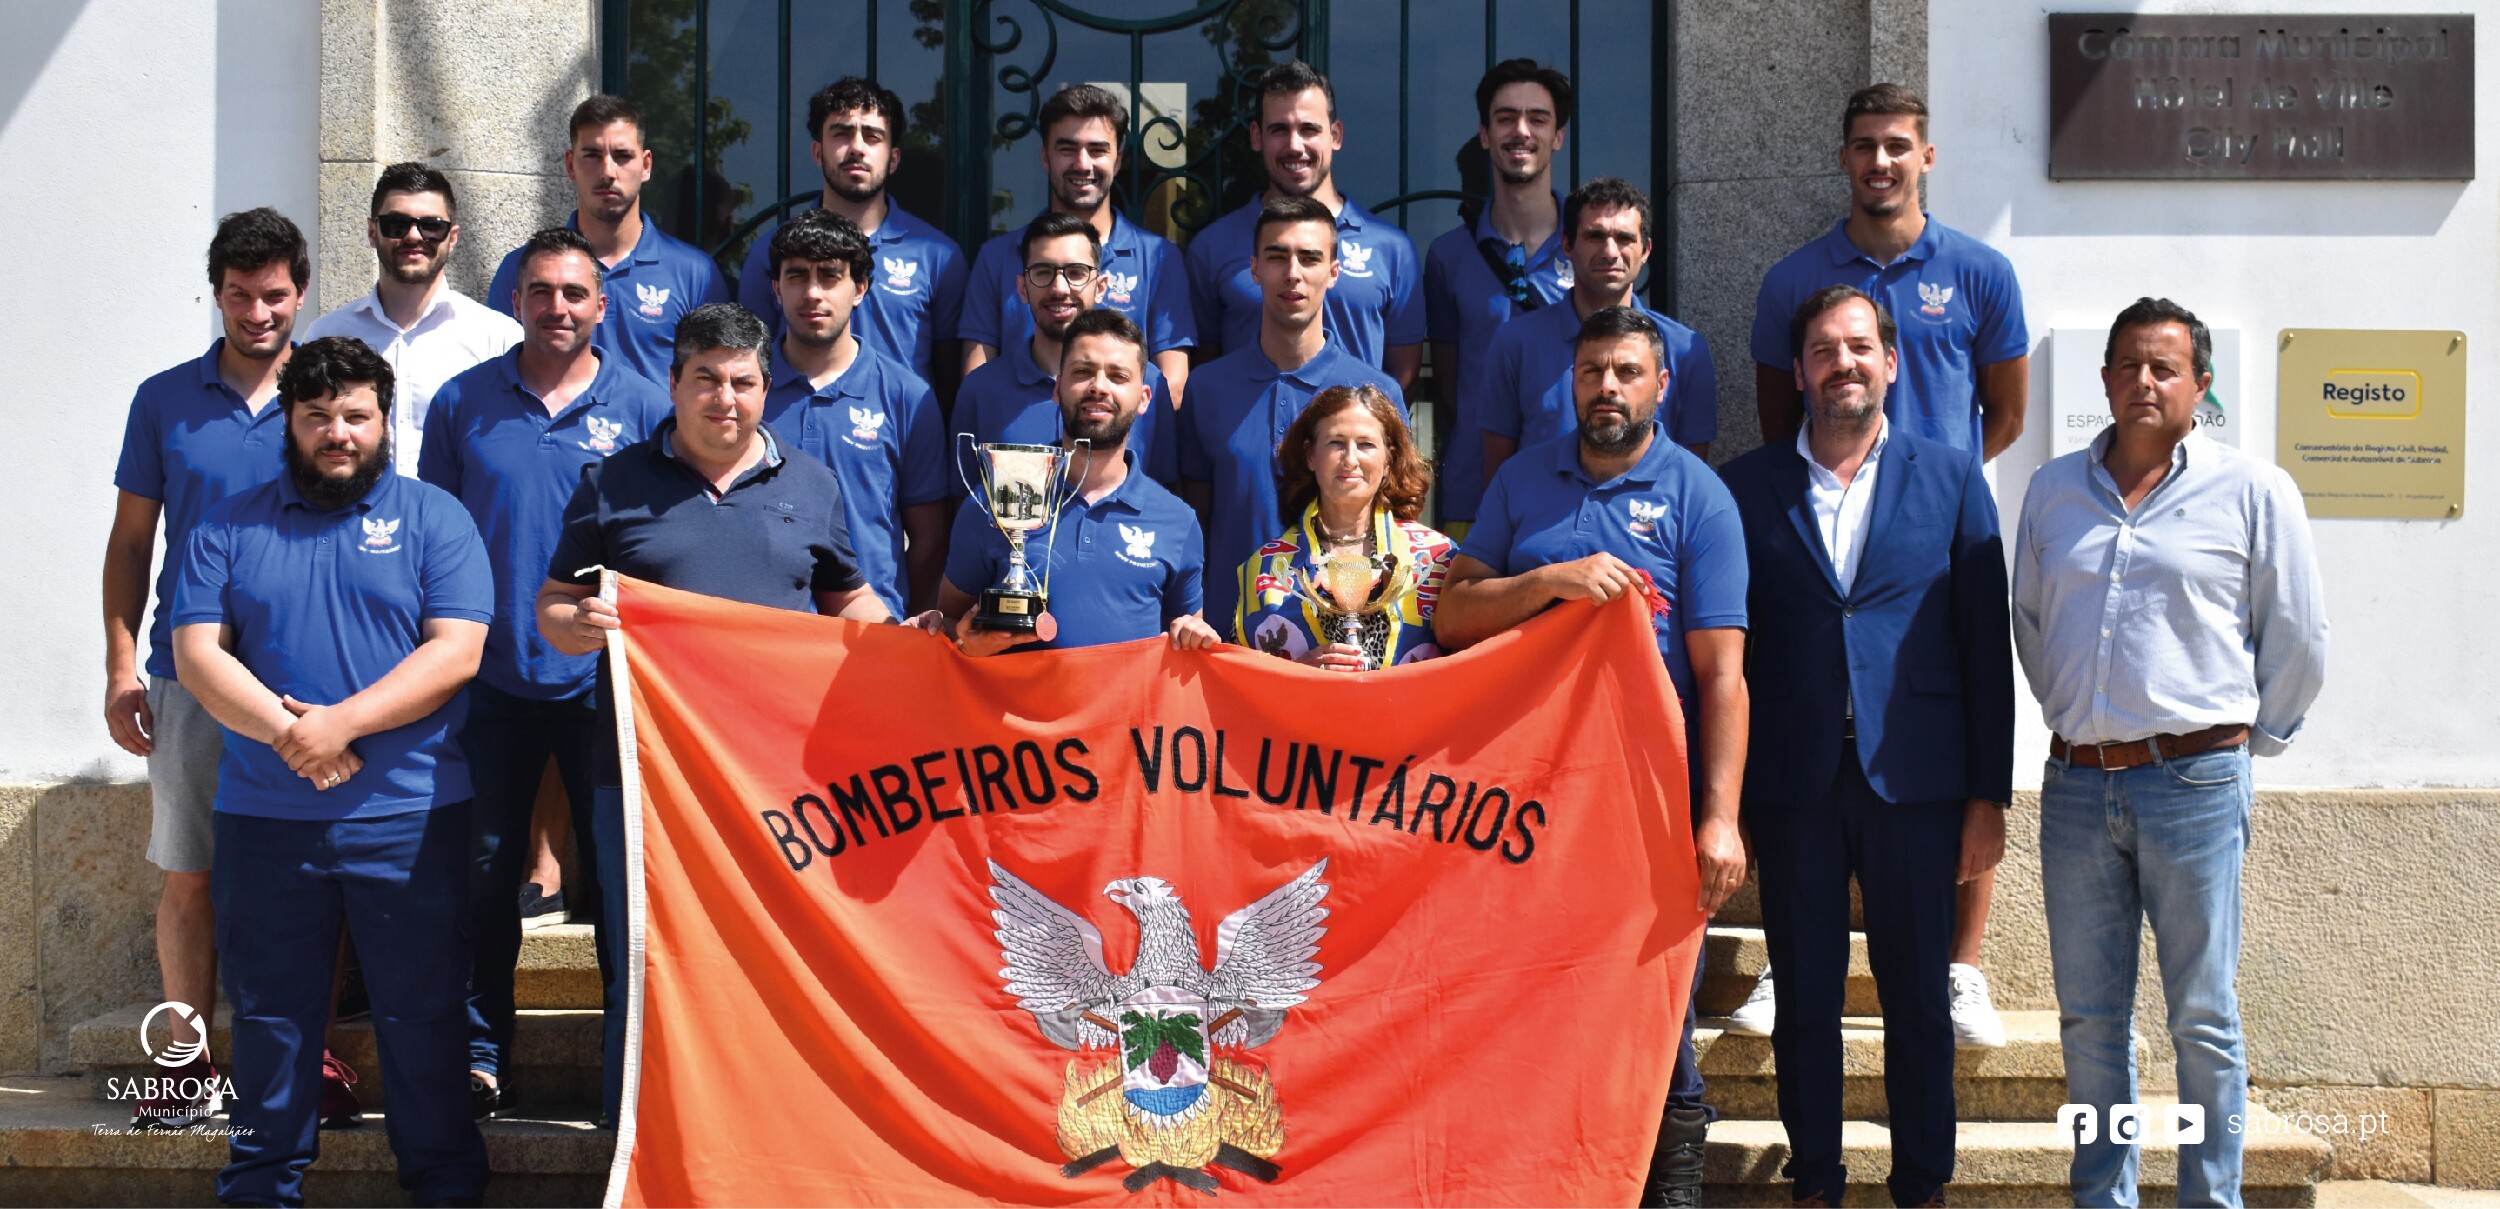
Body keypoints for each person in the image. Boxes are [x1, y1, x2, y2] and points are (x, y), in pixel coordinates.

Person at [535, 302, 898, 1123]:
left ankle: (769, 1120)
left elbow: (848, 600)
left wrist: (910, 647)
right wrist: (576, 624)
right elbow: (552, 604)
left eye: (741, 381)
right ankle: (639, 1130)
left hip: (776, 775)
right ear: (673, 384)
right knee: (645, 948)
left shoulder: (812, 483)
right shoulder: (611, 484)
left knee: (773, 947)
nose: (724, 398)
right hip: (641, 772)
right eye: (705, 379)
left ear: (767, 388)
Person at [1431, 305, 1748, 1208]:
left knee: (1655, 1014)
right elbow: (1452, 616)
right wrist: (1549, 582)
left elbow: (1723, 677)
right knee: (1529, 1010)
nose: (1606, 387)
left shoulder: (1700, 496)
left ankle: (1668, 1192)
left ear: (1662, 385)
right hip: (1519, 802)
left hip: (1644, 803)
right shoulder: (1523, 480)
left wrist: (1720, 818)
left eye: (1626, 372)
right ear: (1570, 383)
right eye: (1591, 372)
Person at [2014, 297, 2327, 1208]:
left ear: (2201, 385)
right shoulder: (2053, 490)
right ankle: (2101, 1195)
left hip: (2196, 782)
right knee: (2089, 1021)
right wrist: (2078, 715)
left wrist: (2245, 742)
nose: (2144, 382)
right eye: (2128, 365)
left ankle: (2209, 1196)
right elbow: (2032, 622)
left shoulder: (2253, 490)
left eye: (2165, 367)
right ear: (2104, 379)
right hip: (2078, 786)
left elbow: (2299, 635)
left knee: (2203, 1017)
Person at [169, 336, 494, 1206]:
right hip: (266, 819)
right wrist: (292, 734)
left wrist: (340, 724)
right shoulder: (226, 525)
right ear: (289, 421)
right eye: (316, 416)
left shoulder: (436, 519)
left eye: (355, 415)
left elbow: (457, 651)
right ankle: (260, 1189)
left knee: (423, 1016)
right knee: (272, 1020)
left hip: (412, 816)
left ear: (385, 421)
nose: (337, 433)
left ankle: (446, 1189)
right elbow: (198, 655)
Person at [1735, 82, 2029, 1044]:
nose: (1881, 161)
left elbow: (2007, 411)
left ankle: (1962, 966)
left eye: (1898, 145)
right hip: (1825, 535)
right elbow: (1781, 419)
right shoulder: (1794, 280)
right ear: (1844, 158)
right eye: (1864, 145)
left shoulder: (1981, 271)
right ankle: (1787, 959)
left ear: (1926, 157)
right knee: (1806, 737)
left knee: (1954, 724)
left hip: (1937, 538)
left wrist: (1931, 491)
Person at [1719, 286, 2013, 1209]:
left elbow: (1985, 645)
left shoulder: (1952, 476)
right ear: (1798, 370)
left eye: (1858, 346)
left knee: (1918, 998)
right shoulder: (1746, 487)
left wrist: (1988, 796)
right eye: (1822, 349)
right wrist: (1728, 801)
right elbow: (1729, 650)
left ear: (1890, 362)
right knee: (1805, 998)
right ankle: (1816, 1180)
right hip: (1793, 781)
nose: (1841, 363)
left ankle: (1921, 1182)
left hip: (1916, 781)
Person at [418, 226, 673, 1121]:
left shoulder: (645, 405)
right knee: (483, 876)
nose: (556, 307)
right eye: (539, 291)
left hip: (609, 685)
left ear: (601, 304)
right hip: (488, 680)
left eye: (573, 293)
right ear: (515, 301)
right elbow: (436, 539)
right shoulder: (462, 404)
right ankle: (483, 1057)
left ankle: (625, 1068)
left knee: (618, 883)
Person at [105, 208, 320, 1131]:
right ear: (217, 294)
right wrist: (121, 666)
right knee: (189, 873)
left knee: (307, 878)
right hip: (187, 676)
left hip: (303, 682)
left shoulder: (328, 396)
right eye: (240, 295)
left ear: (299, 292)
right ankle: (184, 1069)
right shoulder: (164, 400)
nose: (257, 312)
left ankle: (304, 1064)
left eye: (273, 295)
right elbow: (130, 542)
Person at [1178, 196, 1406, 629]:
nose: (1293, 273)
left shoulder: (1377, 394)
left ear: (1334, 272)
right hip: (1230, 632)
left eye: (1310, 258)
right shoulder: (1207, 388)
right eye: (1277, 256)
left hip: (1345, 635)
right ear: (1254, 269)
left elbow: (1398, 527)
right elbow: (1193, 528)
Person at [940, 308, 1215, 656]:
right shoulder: (999, 500)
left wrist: (1196, 636)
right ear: (1058, 388)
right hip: (1008, 696)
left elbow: (1185, 644)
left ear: (1144, 398)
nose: (1099, 387)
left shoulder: (1177, 521)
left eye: (1118, 376)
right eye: (1083, 372)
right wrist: (966, 645)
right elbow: (949, 624)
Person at [1185, 61, 1422, 388]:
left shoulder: (1392, 251)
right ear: (1256, 136)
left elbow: (1402, 380)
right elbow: (1204, 378)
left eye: (1309, 129)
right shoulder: (1213, 248)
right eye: (1279, 130)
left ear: (1335, 135)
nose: (1295, 146)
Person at [761, 210, 949, 614]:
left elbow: (930, 539)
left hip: (870, 632)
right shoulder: (745, 390)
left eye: (830, 276)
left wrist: (897, 623)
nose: (813, 293)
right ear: (776, 289)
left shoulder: (907, 396)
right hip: (765, 630)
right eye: (797, 276)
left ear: (860, 288)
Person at [959, 85, 1196, 402]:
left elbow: (1172, 387)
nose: (1083, 164)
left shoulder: (1159, 259)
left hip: (1124, 435)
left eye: (1097, 150)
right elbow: (976, 381)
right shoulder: (997, 257)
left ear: (1118, 160)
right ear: (1045, 157)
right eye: (1067, 149)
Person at [733, 76, 967, 394]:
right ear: (817, 152)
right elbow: (748, 366)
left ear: (893, 159)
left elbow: (950, 384)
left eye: (872, 137)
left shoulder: (938, 256)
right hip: (793, 422)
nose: (857, 148)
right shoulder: (771, 252)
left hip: (901, 424)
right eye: (842, 133)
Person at [1423, 59, 1575, 534]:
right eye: (1506, 118)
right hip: (1474, 497)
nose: (1521, 131)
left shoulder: (1593, 246)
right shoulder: (1448, 257)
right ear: (1485, 135)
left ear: (1558, 136)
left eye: (1538, 119)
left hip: (1573, 496)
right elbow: (1450, 386)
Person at [1480, 177, 1715, 483]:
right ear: (1567, 245)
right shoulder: (1514, 345)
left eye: (1624, 238)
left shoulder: (1685, 351)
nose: (1610, 251)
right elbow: (1498, 476)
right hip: (1539, 514)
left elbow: (1690, 480)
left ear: (1646, 250)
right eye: (1595, 236)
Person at [488, 95, 731, 385]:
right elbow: (498, 381)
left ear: (646, 165)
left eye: (622, 156)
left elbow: (717, 385)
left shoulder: (695, 274)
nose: (607, 172)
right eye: (592, 155)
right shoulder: (522, 269)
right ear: (570, 165)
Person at [302, 162, 522, 474]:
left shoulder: (498, 338)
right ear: (372, 232)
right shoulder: (326, 336)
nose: (414, 236)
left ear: (452, 237)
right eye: (397, 224)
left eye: (431, 226)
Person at [951, 212, 1178, 489]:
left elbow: (1164, 497)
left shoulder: (1146, 383)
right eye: (1043, 273)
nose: (1059, 288)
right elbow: (965, 503)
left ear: (1101, 287)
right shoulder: (981, 390)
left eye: (1076, 273)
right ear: (1022, 288)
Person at [1235, 384, 1452, 670]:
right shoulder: (1266, 567)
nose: (1350, 460)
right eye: (1336, 443)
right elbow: (1242, 681)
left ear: (1388, 459)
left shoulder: (1439, 559)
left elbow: (1470, 669)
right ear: (1310, 455)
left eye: (1366, 445)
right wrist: (1298, 672)